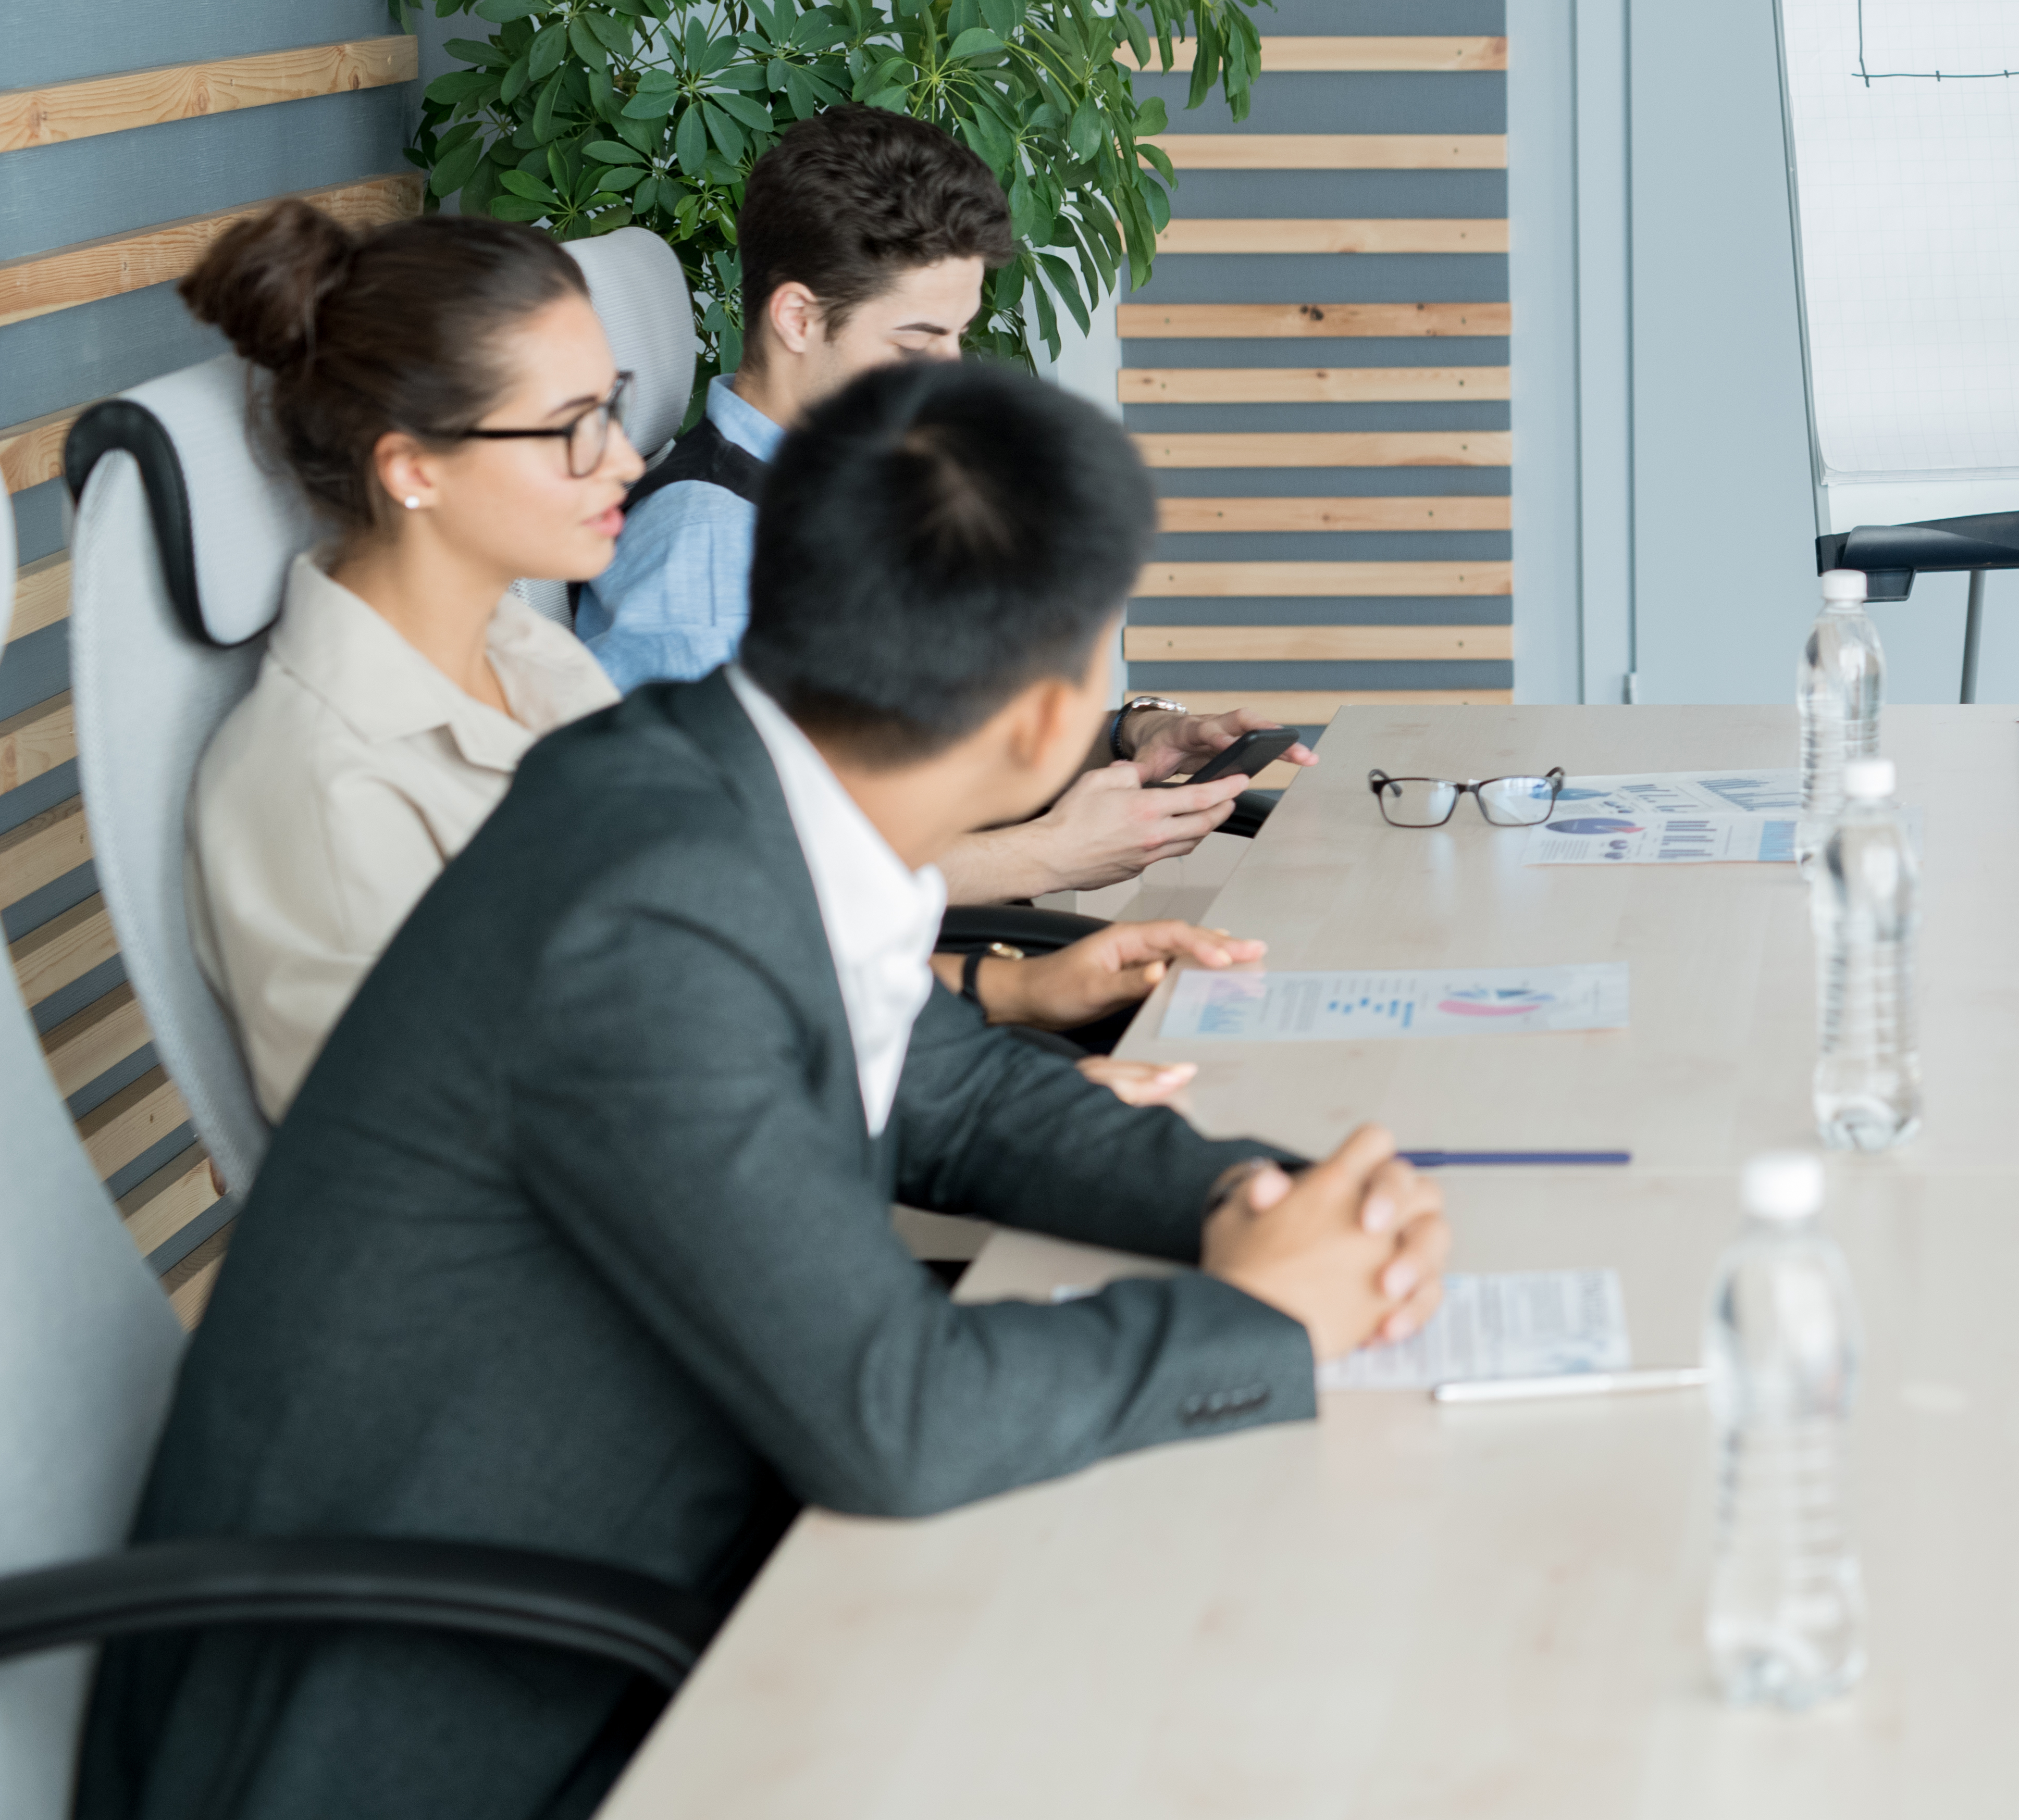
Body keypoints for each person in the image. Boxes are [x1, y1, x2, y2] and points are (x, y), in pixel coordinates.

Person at [81, 358, 1453, 1820]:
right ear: (1053, 723)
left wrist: (1254, 1200)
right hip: (417, 1726)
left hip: (625, 1574)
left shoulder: (724, 785)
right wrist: (1260, 1318)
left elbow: (961, 1095)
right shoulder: (653, 911)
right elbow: (895, 1420)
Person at [173, 198, 1235, 1120]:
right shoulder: (323, 789)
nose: (625, 460)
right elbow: (487, 1158)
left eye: (614, 404)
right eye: (573, 428)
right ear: (412, 469)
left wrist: (1010, 998)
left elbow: (717, 966)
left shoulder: (533, 662)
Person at [575, 105, 1305, 900]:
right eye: (916, 344)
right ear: (798, 317)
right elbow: (723, 866)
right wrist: (1046, 857)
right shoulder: (709, 550)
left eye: (957, 338)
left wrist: (1132, 737)